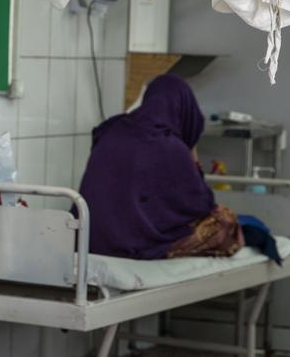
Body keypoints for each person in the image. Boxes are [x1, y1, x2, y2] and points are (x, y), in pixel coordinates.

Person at [78, 74, 243, 260]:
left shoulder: (112, 129)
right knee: (225, 221)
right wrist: (191, 152)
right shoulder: (169, 146)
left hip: (89, 238)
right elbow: (201, 206)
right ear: (185, 110)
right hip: (134, 245)